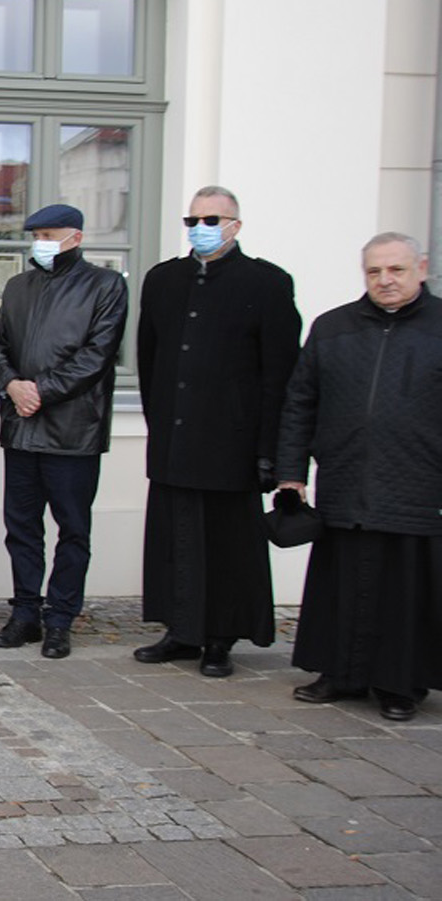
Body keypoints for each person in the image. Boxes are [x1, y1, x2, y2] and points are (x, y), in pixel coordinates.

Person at [135, 186, 299, 677]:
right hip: (175, 437)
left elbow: (279, 373)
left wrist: (269, 449)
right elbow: (149, 359)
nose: (200, 229)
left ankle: (220, 639)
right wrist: (160, 422)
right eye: (193, 221)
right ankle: (181, 630)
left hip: (232, 442)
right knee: (176, 540)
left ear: (235, 226)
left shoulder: (266, 283)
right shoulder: (164, 279)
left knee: (226, 547)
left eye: (212, 220)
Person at [278, 232, 441, 722]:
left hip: (417, 485)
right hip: (345, 480)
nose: (385, 280)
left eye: (396, 270)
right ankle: (338, 673)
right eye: (374, 271)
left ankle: (399, 685)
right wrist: (291, 473)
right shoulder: (333, 327)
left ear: (421, 269)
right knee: (341, 584)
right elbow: (300, 402)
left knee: (404, 591)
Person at [0, 203, 128, 659]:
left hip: (73, 431)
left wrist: (40, 391)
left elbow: (97, 355)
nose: (40, 244)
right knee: (22, 527)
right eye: (36, 236)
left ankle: (61, 618)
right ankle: (25, 612)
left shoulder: (105, 285)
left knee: (72, 529)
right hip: (22, 429)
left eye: (48, 235)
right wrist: (11, 384)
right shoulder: (18, 286)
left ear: (75, 238)